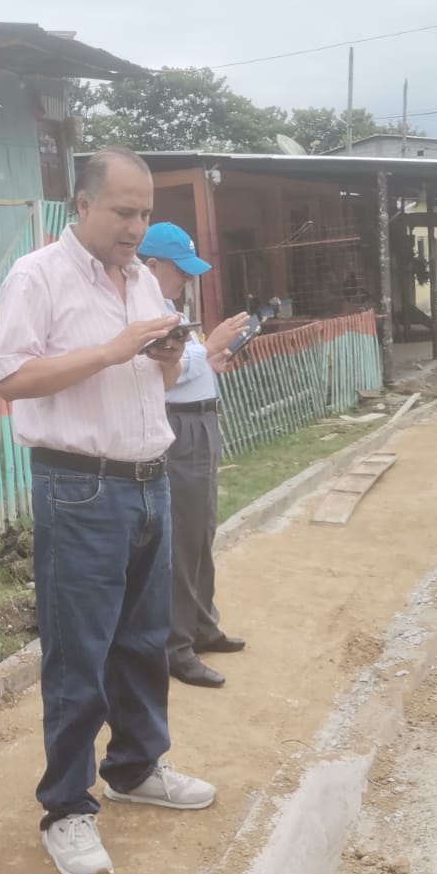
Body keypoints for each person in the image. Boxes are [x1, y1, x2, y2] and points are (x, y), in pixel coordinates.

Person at [0, 146, 217, 874]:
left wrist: (165, 354)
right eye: (124, 212)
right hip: (79, 486)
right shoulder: (37, 277)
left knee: (143, 641)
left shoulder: (142, 282)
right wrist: (115, 348)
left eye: (145, 214)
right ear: (83, 205)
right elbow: (13, 379)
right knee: (79, 654)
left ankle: (136, 767)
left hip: (150, 480)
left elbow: (162, 375)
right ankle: (66, 807)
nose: (136, 228)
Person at [138, 222, 250, 689]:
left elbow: (187, 367)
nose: (186, 279)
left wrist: (211, 361)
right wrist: (209, 347)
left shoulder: (168, 309)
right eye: (179, 270)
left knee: (202, 530)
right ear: (151, 266)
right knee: (183, 539)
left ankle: (203, 624)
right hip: (179, 427)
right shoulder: (145, 314)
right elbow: (162, 370)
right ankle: (176, 646)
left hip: (201, 422)